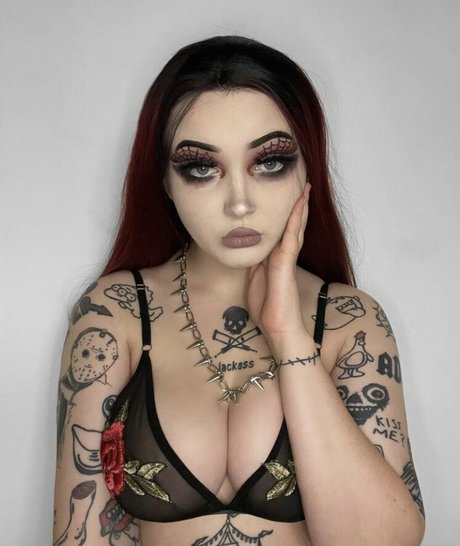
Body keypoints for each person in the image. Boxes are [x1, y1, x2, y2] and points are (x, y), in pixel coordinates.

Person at [53, 35, 425, 546]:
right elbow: (79, 534)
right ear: (164, 180)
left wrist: (289, 336)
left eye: (269, 162)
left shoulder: (351, 320)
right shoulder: (114, 312)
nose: (239, 203)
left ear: (308, 167)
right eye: (201, 168)